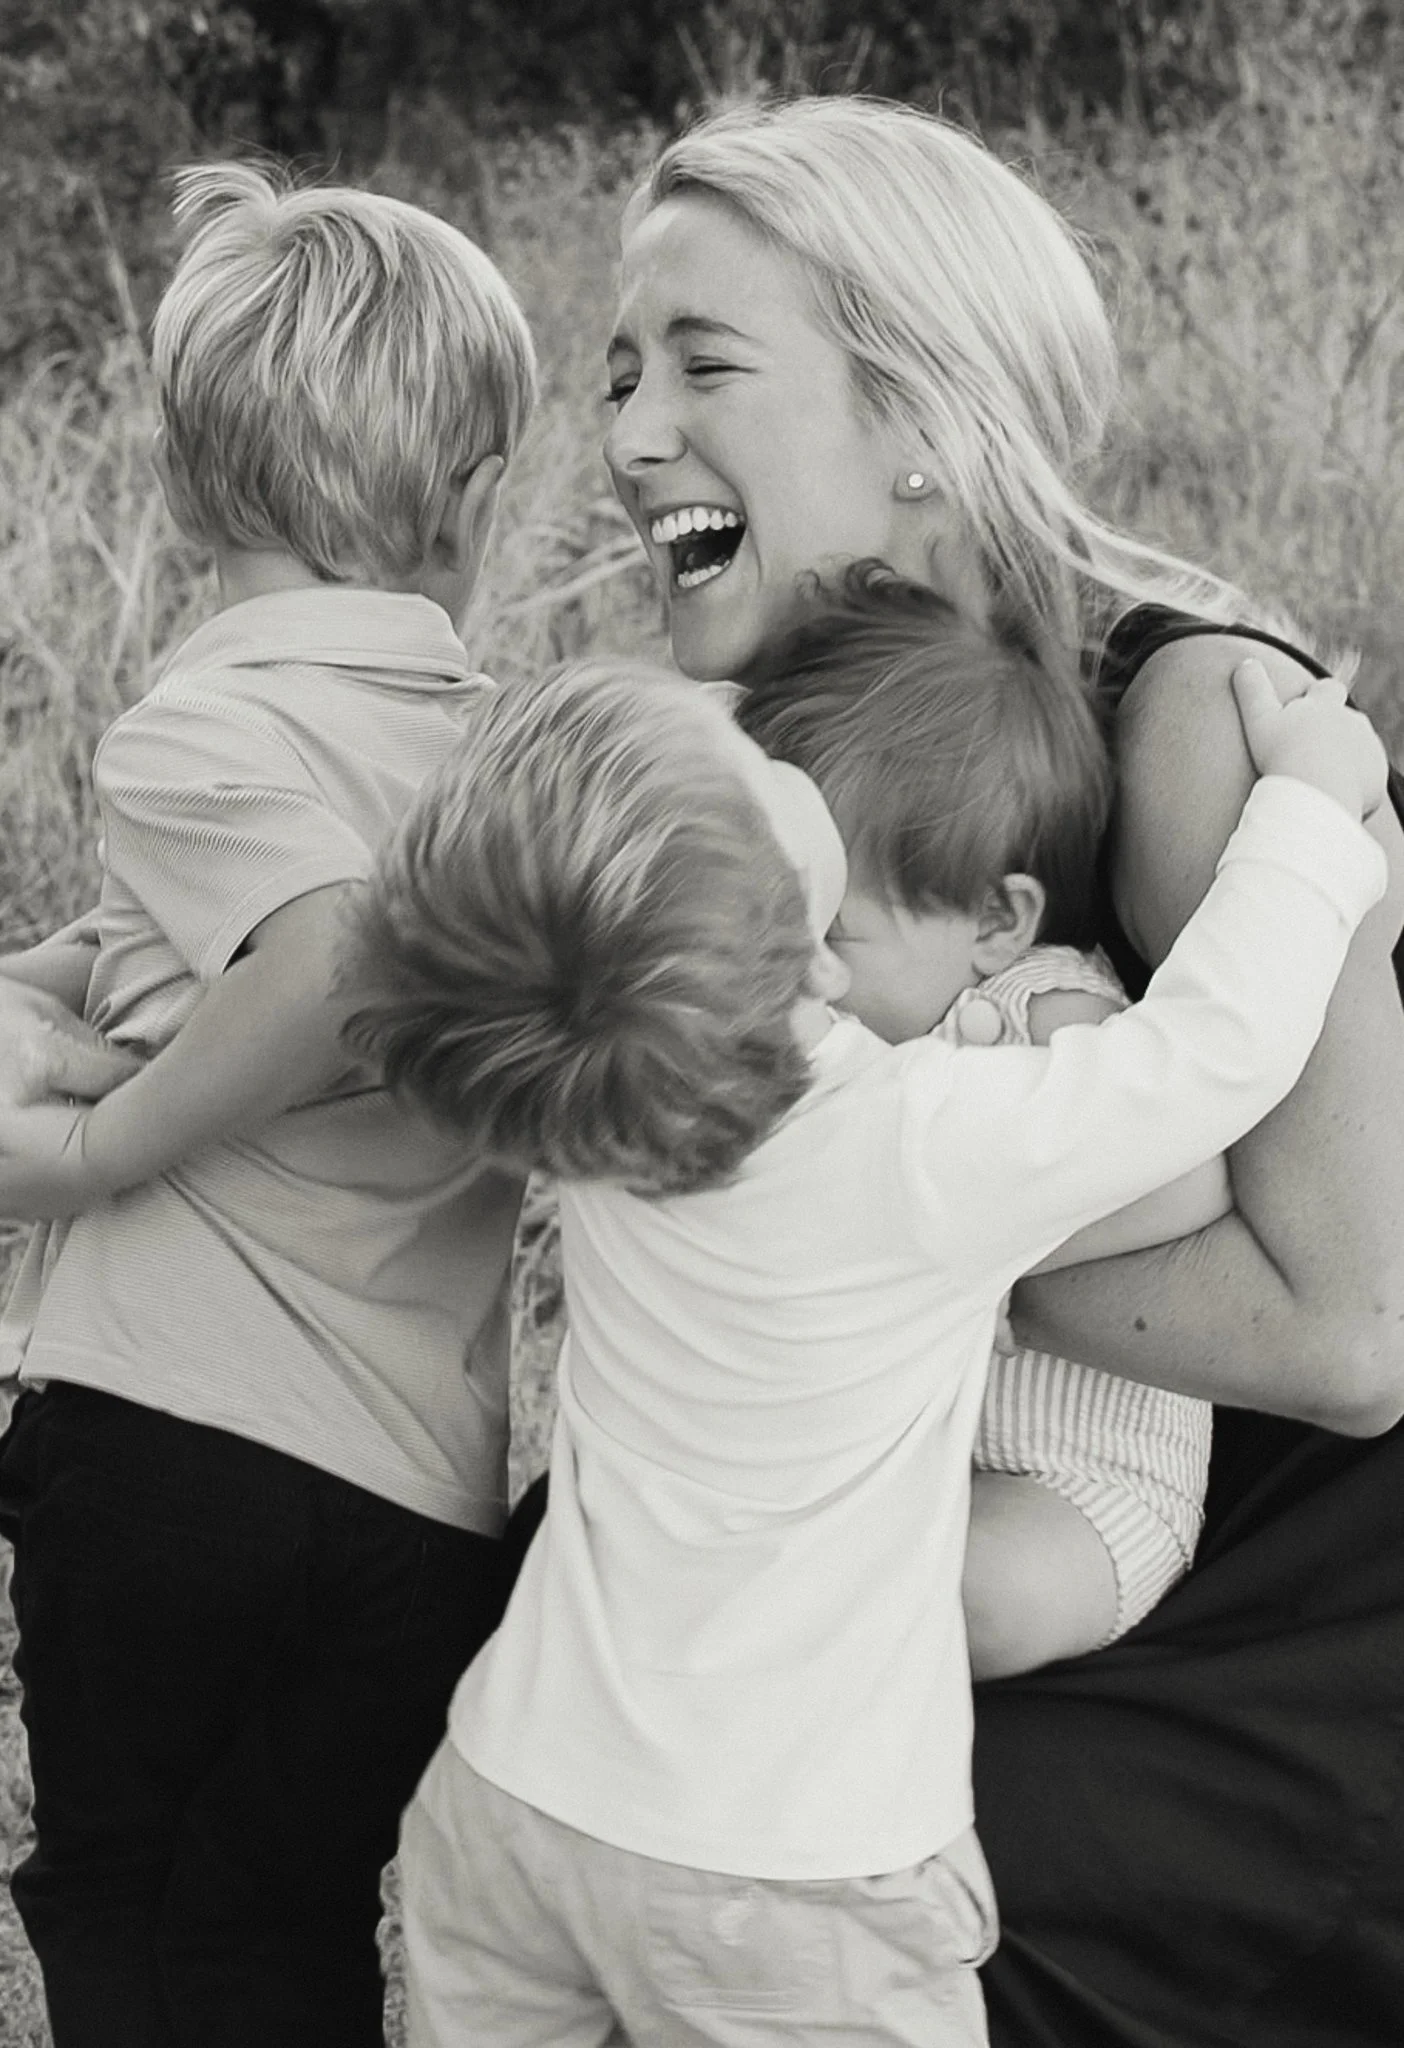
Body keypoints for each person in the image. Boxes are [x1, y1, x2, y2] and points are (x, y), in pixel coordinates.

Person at [586, 95, 1404, 2045]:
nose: (624, 438)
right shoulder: (773, 732)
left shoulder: (1196, 715)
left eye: (705, 364)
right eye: (619, 370)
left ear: (922, 411)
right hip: (948, 1469)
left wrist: (870, 1214)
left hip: (1275, 1596)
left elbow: (1351, 1333)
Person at [347, 649, 1384, 2048]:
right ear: (779, 914)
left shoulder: (597, 1128)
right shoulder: (912, 1149)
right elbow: (1215, 1054)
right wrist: (1316, 807)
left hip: (509, 1811)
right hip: (781, 1872)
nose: (745, 723)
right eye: (756, 770)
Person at [0, 162, 537, 2048]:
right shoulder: (505, 758)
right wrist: (89, 963)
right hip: (417, 1504)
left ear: (177, 480)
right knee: (289, 1925)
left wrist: (86, 1147)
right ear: (472, 503)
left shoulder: (195, 726)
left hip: (176, 1445)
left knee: (120, 1903)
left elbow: (315, 952)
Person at [738, 563, 1234, 1677]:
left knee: (974, 1596)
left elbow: (1186, 1180)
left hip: (1080, 1481)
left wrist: (958, 1235)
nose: (792, 973)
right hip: (911, 1462)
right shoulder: (831, 1037)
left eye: (830, 930)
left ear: (996, 920)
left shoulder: (1043, 1011)